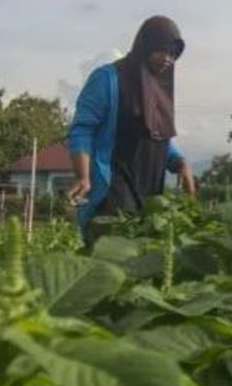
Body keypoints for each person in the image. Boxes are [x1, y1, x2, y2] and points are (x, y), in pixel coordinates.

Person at [66, 15, 198, 244]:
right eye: (163, 51)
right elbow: (82, 129)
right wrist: (83, 176)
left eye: (174, 55)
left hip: (149, 190)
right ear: (145, 46)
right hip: (114, 185)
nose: (168, 59)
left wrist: (179, 162)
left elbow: (156, 134)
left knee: (140, 261)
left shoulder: (158, 89)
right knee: (113, 251)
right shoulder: (108, 79)